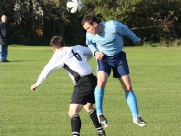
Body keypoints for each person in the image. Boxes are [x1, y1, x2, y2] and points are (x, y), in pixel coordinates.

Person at [30, 36, 106, 136]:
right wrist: (85, 59)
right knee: (88, 107)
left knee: (73, 111)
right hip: (93, 79)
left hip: (83, 82)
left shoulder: (59, 54)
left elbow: (47, 69)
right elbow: (90, 52)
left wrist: (38, 83)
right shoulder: (77, 47)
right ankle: (101, 132)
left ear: (54, 48)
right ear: (64, 44)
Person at [81, 14, 146, 127]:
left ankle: (136, 117)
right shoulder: (89, 35)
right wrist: (96, 52)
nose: (88, 31)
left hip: (119, 58)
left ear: (95, 24)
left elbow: (126, 30)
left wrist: (136, 40)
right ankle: (99, 114)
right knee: (101, 82)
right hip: (103, 59)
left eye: (88, 28)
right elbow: (90, 43)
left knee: (128, 87)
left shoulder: (114, 26)